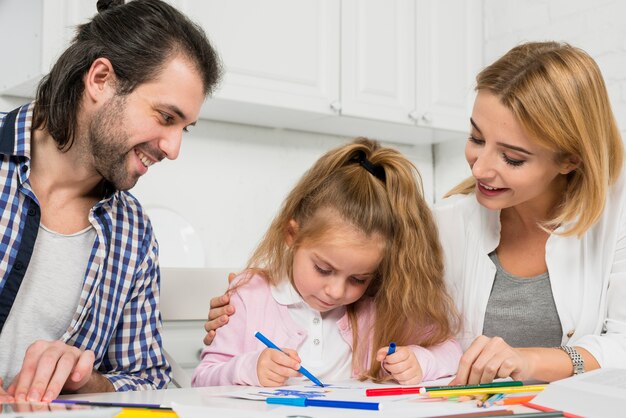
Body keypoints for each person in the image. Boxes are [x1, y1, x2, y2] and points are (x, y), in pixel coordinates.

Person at [205, 41, 626, 385]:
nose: (479, 168)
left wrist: (531, 362)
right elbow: (355, 289)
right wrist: (246, 308)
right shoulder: (439, 226)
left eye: (512, 158)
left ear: (570, 159)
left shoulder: (615, 222)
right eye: (476, 138)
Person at [0, 0, 220, 402]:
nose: (173, 149)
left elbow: (148, 378)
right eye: (166, 117)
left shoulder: (133, 233)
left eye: (184, 129)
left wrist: (85, 380)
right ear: (101, 79)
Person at [192, 138, 461, 387]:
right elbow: (202, 379)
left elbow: (451, 350)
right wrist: (249, 368)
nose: (336, 291)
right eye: (323, 269)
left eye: (358, 278)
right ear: (292, 235)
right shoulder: (251, 295)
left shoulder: (375, 306)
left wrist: (419, 361)